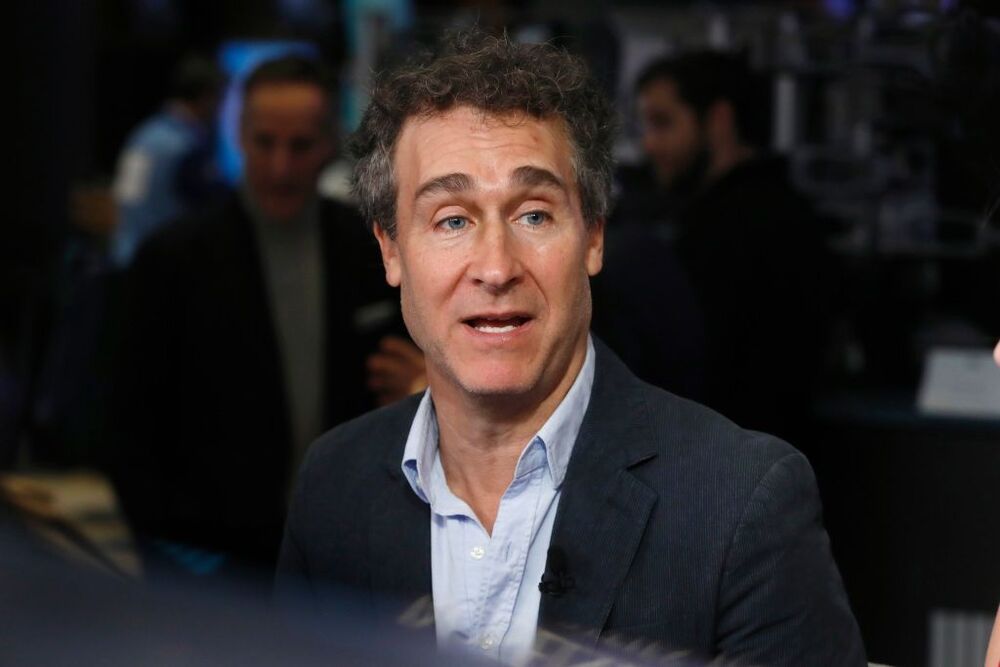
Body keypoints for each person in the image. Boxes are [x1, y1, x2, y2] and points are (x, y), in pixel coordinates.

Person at [277, 30, 865, 665]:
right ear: (391, 251)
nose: (495, 267)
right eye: (452, 220)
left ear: (593, 238)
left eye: (534, 215)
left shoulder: (742, 503)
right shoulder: (334, 484)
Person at [109, 55, 420, 575]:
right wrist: (172, 553)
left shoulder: (371, 251)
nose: (281, 167)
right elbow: (126, 422)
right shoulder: (174, 259)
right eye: (265, 143)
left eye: (300, 146)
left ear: (329, 143)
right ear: (239, 138)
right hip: (208, 556)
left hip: (343, 549)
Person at [634, 51, 835, 439]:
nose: (650, 144)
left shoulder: (726, 229)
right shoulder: (786, 209)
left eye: (663, 123)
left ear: (718, 120)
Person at [110, 55, 227, 267]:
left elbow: (125, 200)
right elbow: (210, 213)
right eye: (220, 99)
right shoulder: (186, 148)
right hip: (164, 267)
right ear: (206, 97)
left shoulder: (142, 136)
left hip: (126, 258)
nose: (220, 109)